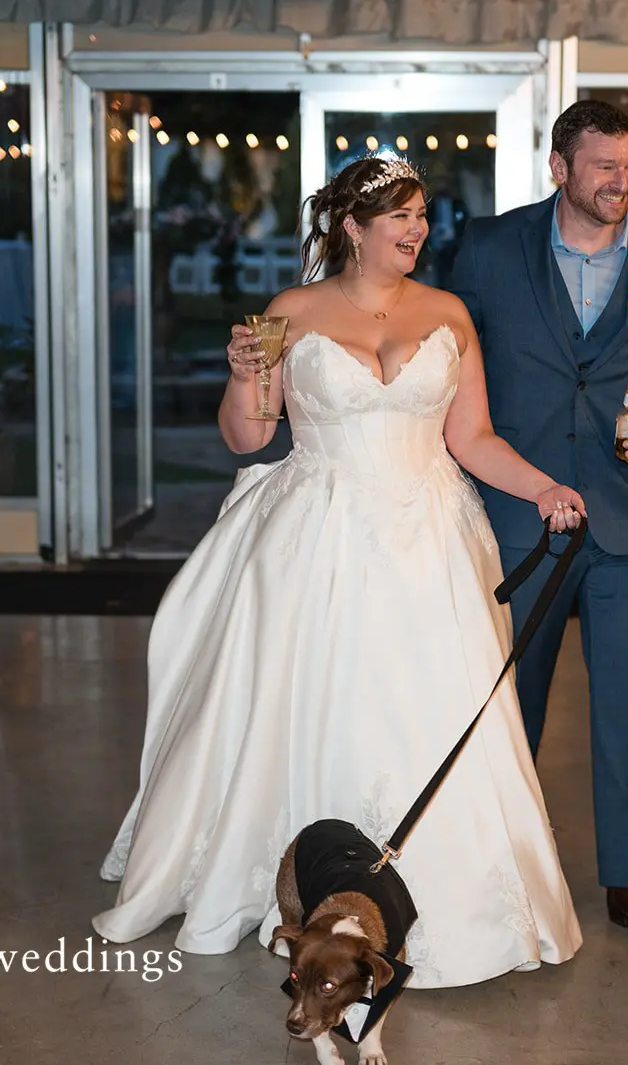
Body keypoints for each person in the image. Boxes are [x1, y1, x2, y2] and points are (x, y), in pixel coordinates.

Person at [93, 155, 586, 989]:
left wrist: (543, 487)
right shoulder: (291, 310)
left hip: (427, 536)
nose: (417, 231)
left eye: (423, 215)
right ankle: (296, 873)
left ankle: (448, 901)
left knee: (430, 703)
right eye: (400, 217)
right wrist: (247, 374)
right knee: (313, 698)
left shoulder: (450, 313)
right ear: (353, 228)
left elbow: (472, 439)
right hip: (318, 533)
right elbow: (250, 437)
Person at [446, 100, 628, 948]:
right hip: (519, 523)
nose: (621, 182)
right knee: (508, 711)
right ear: (559, 167)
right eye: (603, 167)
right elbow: (442, 365)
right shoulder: (487, 251)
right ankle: (500, 869)